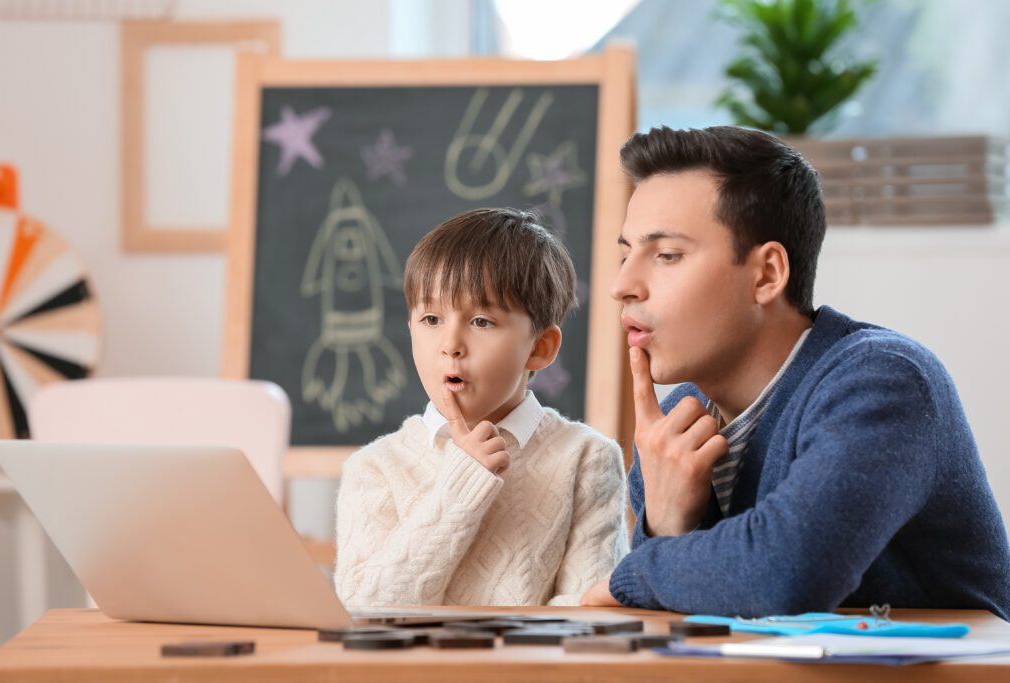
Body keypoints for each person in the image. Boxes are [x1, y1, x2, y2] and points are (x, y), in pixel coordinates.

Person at [581, 125, 1010, 620]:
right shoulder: (675, 429)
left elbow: (783, 574)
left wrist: (634, 571)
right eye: (624, 255)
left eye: (667, 255)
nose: (622, 285)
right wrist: (665, 524)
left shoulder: (882, 382)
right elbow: (690, 615)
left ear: (767, 274)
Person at [335, 208, 629, 607]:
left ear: (540, 348)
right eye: (432, 318)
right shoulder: (374, 468)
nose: (450, 343)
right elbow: (361, 610)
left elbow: (587, 615)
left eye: (481, 322)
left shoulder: (586, 457)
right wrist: (460, 488)